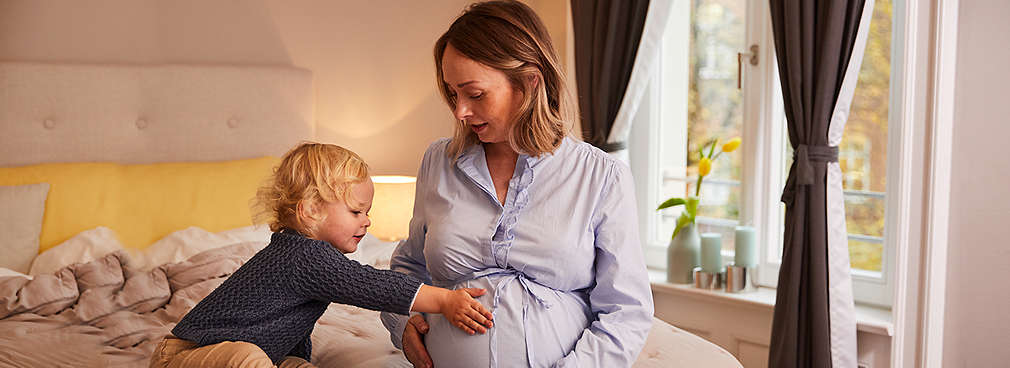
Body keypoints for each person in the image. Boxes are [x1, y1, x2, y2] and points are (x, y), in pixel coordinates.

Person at [380, 1, 654, 367]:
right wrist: (402, 326)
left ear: (529, 82)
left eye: (474, 94)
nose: (460, 110)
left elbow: (627, 310)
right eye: (452, 93)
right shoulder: (438, 162)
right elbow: (407, 267)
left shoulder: (601, 176)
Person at [150, 143, 494, 368]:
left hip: (238, 354)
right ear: (312, 210)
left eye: (367, 212)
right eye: (356, 212)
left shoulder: (306, 255)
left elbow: (287, 324)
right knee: (247, 357)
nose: (368, 221)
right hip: (184, 356)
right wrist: (446, 301)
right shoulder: (304, 256)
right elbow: (372, 285)